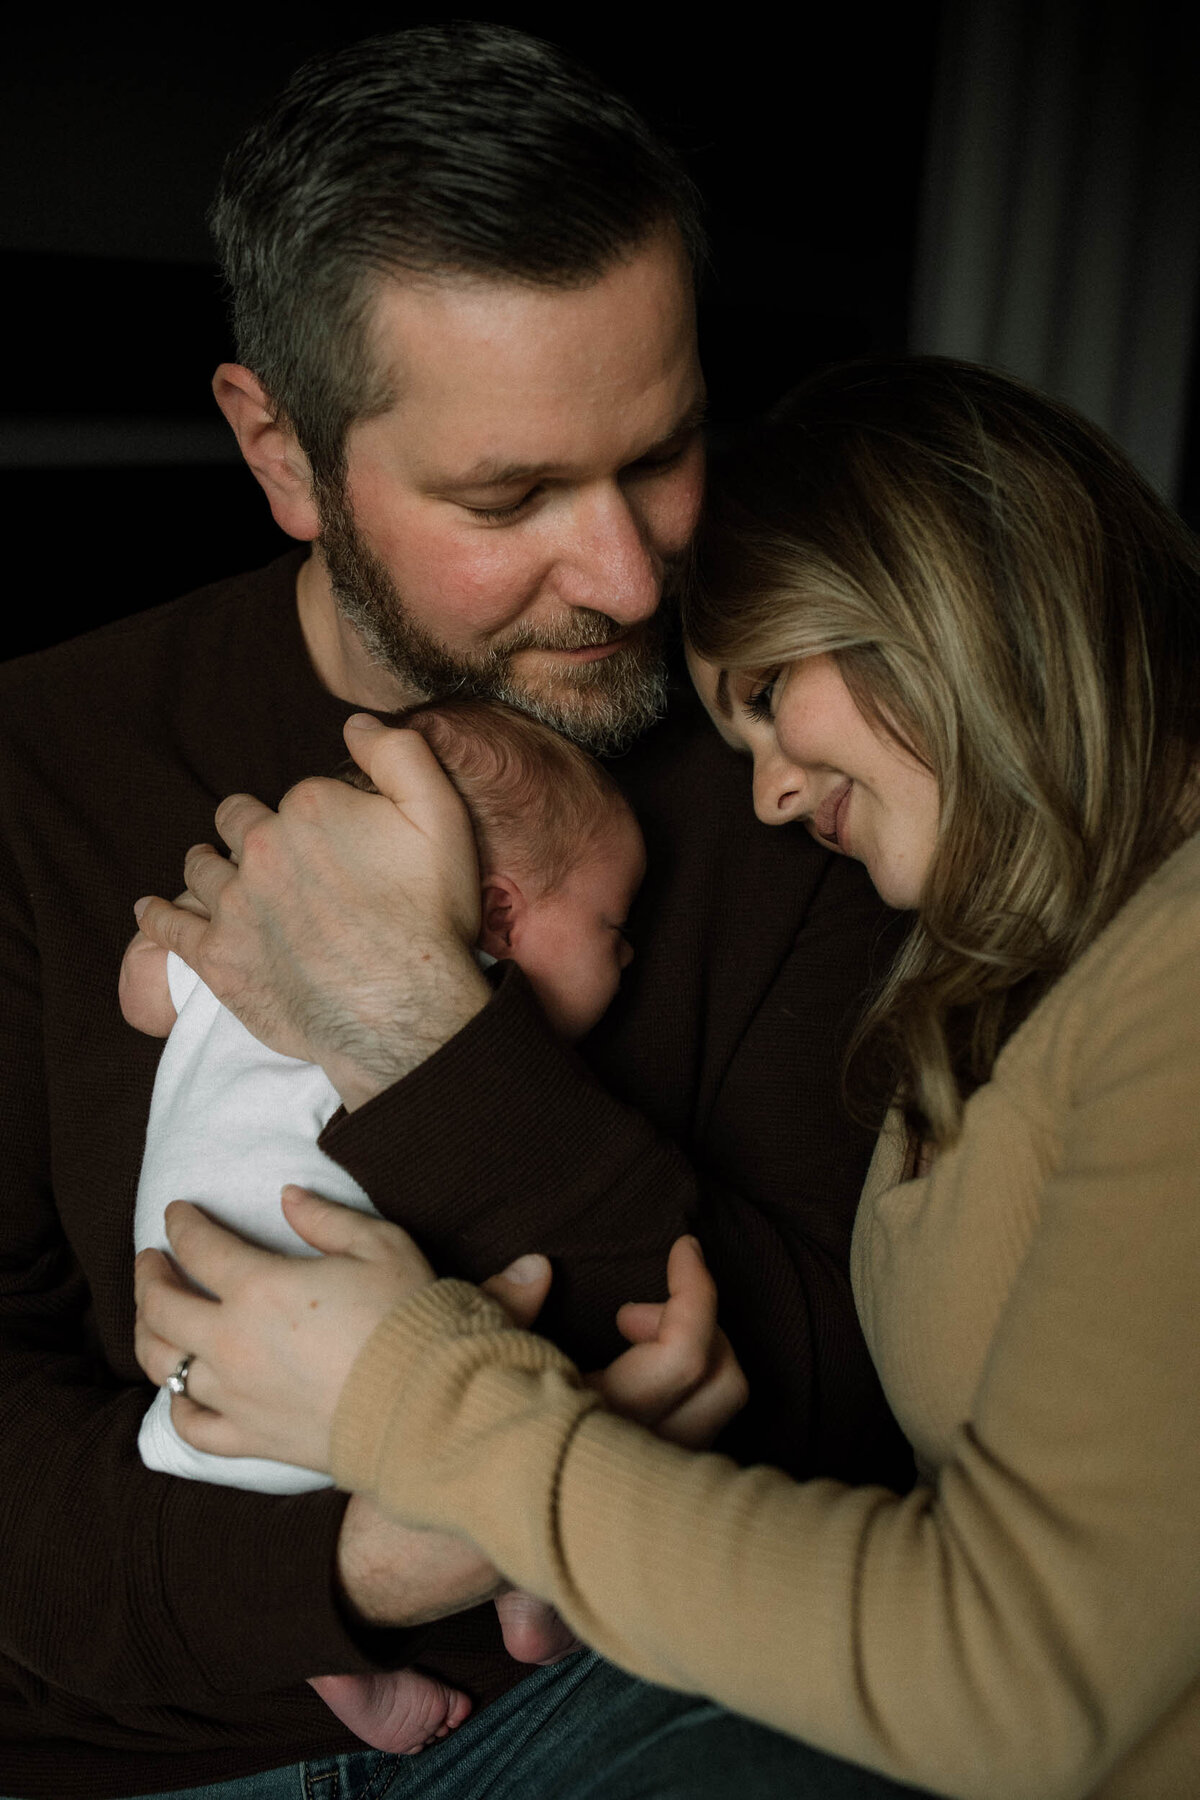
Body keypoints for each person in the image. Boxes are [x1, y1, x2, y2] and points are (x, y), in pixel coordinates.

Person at [0, 23, 910, 1800]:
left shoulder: (809, 764)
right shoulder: (40, 766)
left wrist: (423, 1036)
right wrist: (370, 1564)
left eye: (664, 451)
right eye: (511, 498)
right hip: (147, 1742)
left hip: (638, 1692)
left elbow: (840, 1396)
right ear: (281, 453)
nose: (629, 578)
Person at [137, 357, 1200, 1800]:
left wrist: (411, 1393)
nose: (768, 791)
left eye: (768, 694)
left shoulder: (1174, 962)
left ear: (946, 597)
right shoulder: (989, 987)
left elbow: (1014, 1669)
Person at [124, 698, 644, 1754]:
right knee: (512, 1352)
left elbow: (143, 992)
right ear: (496, 918)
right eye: (612, 928)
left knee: (271, 1529)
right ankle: (523, 1580)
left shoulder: (243, 950)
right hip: (336, 1367)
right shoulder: (465, 1015)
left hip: (188, 1385)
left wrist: (171, 928)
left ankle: (340, 1669)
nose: (630, 956)